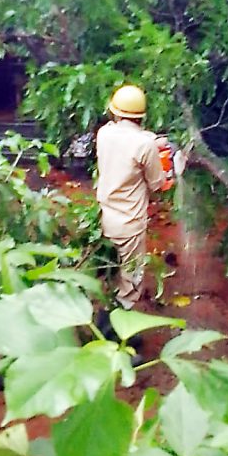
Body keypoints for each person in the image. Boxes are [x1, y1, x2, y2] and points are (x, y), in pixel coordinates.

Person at [96, 84, 166, 309]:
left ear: (114, 111)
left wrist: (154, 143)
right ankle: (119, 329)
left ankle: (102, 313)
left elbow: (128, 142)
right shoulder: (145, 145)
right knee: (131, 281)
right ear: (142, 116)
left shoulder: (104, 133)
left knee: (108, 271)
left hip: (105, 218)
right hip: (130, 224)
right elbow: (158, 184)